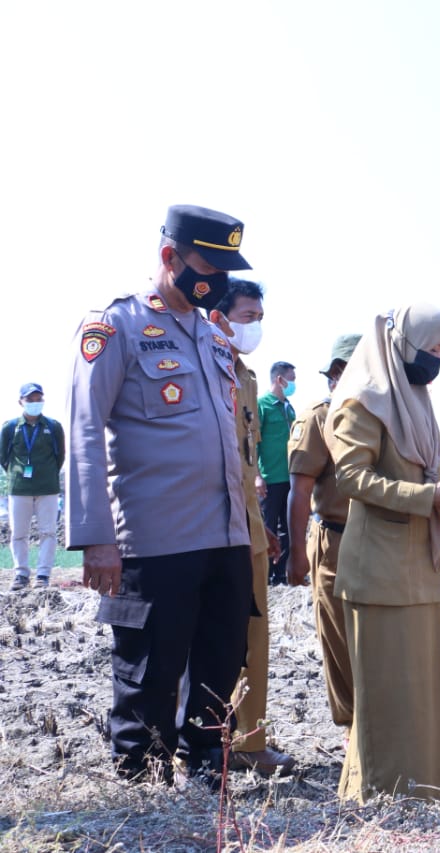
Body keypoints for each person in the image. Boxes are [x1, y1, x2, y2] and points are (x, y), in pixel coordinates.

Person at [66, 204, 255, 783]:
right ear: (169, 257)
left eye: (227, 270)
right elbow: (85, 428)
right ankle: (144, 784)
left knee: (221, 663)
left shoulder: (214, 336)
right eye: (207, 265)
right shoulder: (116, 326)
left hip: (225, 535)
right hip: (156, 539)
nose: (216, 281)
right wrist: (96, 536)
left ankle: (206, 772)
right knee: (150, 671)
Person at [324, 304, 440, 802]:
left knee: (419, 690)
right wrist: (430, 497)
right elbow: (351, 477)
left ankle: (421, 790)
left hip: (417, 563)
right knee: (388, 693)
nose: (437, 359)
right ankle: (382, 797)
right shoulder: (363, 400)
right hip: (378, 567)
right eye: (432, 350)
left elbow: (420, 473)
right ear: (400, 347)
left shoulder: (413, 398)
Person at [208, 279, 296, 776]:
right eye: (248, 316)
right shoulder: (201, 366)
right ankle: (203, 745)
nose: (256, 326)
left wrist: (262, 525)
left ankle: (248, 740)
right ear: (217, 316)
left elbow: (246, 461)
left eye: (259, 316)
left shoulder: (248, 377)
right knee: (208, 639)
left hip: (247, 525)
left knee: (254, 637)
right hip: (205, 526)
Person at [286, 333, 361, 733]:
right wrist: (297, 554)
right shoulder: (317, 418)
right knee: (339, 639)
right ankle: (352, 726)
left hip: (379, 541)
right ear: (334, 374)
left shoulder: (386, 415)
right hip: (335, 540)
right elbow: (299, 492)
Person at [2, 382, 65, 590]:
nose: (35, 403)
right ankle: (21, 574)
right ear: (21, 402)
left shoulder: (53, 426)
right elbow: (3, 457)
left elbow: (60, 456)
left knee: (48, 532)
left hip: (48, 487)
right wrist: (17, 473)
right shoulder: (10, 427)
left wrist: (47, 473)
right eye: (30, 399)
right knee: (19, 533)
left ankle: (43, 575)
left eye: (39, 399)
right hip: (19, 488)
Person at [258, 360, 296, 585]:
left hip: (289, 476)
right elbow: (252, 442)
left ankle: (281, 573)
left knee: (287, 528)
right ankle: (265, 574)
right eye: (291, 379)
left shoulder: (289, 407)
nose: (294, 384)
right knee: (268, 528)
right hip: (269, 479)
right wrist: (256, 476)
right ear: (279, 380)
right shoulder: (261, 405)